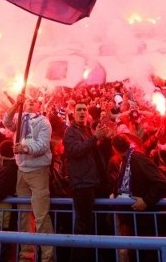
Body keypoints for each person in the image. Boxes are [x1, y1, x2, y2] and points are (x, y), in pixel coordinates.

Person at [3, 94, 54, 262]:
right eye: (28, 100)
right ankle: (27, 255)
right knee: (24, 216)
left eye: (34, 101)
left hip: (38, 171)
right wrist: (15, 104)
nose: (30, 102)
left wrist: (24, 148)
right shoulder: (19, 117)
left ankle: (47, 256)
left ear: (39, 105)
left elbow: (43, 145)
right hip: (21, 171)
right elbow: (6, 122)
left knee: (41, 215)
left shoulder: (44, 122)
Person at [111, 133, 166, 262]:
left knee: (147, 254)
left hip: (145, 220)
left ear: (114, 149)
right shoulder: (127, 160)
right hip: (135, 220)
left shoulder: (137, 159)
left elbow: (161, 182)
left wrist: (146, 201)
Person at [63, 101, 108, 261]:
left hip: (92, 182)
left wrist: (101, 140)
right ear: (74, 114)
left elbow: (93, 153)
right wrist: (94, 138)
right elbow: (75, 151)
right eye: (79, 110)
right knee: (83, 226)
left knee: (90, 224)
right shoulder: (70, 132)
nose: (82, 112)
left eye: (84, 110)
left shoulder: (87, 130)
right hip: (81, 183)